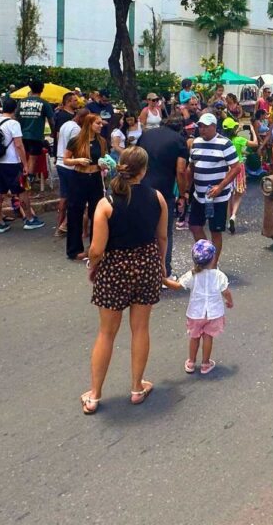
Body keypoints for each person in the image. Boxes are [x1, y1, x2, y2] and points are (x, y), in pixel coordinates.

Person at [80, 146, 167, 414]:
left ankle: (94, 395)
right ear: (144, 170)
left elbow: (96, 249)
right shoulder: (157, 198)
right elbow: (162, 237)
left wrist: (93, 266)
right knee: (140, 328)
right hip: (147, 264)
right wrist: (161, 265)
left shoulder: (106, 203)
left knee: (106, 333)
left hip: (115, 269)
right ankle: (137, 387)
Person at [163, 239, 232, 374]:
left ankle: (191, 362)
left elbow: (177, 286)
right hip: (213, 313)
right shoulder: (219, 276)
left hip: (195, 313)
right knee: (208, 336)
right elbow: (226, 292)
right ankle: (206, 363)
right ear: (213, 259)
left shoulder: (192, 275)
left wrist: (163, 279)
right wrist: (230, 302)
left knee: (194, 337)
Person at [137, 112, 189, 279]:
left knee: (143, 229)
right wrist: (183, 194)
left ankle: (143, 270)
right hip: (163, 191)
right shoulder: (179, 140)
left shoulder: (145, 135)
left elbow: (135, 158)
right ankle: (163, 272)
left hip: (141, 187)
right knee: (164, 233)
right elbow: (181, 170)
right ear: (180, 127)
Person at [188, 113, 239, 265]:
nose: (202, 130)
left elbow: (236, 168)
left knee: (215, 230)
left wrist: (220, 186)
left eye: (205, 127)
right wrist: (185, 190)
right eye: (200, 126)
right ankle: (206, 255)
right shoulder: (196, 143)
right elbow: (191, 167)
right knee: (194, 225)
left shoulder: (225, 143)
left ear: (214, 127)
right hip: (199, 194)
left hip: (218, 195)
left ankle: (213, 264)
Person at [0, 98, 46, 234]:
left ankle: (0, 223)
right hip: (12, 163)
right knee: (21, 191)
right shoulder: (13, 123)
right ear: (15, 109)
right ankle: (29, 219)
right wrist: (25, 164)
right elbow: (19, 145)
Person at [63, 113, 107, 261]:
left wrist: (104, 164)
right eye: (98, 123)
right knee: (75, 212)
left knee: (97, 213)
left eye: (101, 123)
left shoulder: (101, 141)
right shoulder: (76, 141)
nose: (101, 126)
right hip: (79, 177)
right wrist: (78, 160)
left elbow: (104, 158)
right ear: (89, 124)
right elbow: (66, 160)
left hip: (95, 177)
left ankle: (95, 247)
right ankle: (74, 250)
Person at [52, 92, 81, 237]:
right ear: (68, 101)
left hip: (60, 161)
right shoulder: (70, 123)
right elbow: (73, 145)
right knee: (76, 196)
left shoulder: (67, 121)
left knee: (64, 196)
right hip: (68, 162)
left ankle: (59, 226)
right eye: (75, 100)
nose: (78, 102)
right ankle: (65, 225)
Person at [17, 81, 54, 182]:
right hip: (36, 135)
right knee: (33, 159)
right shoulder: (44, 103)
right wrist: (53, 132)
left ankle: (21, 180)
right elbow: (51, 120)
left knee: (22, 158)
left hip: (21, 135)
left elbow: (16, 118)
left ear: (30, 89)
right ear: (42, 90)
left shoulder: (21, 102)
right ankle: (28, 180)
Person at [223, 117, 255, 233]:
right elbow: (255, 144)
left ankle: (228, 220)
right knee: (239, 193)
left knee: (229, 195)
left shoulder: (224, 141)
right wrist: (252, 130)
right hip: (238, 167)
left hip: (227, 168)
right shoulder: (239, 139)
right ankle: (233, 216)